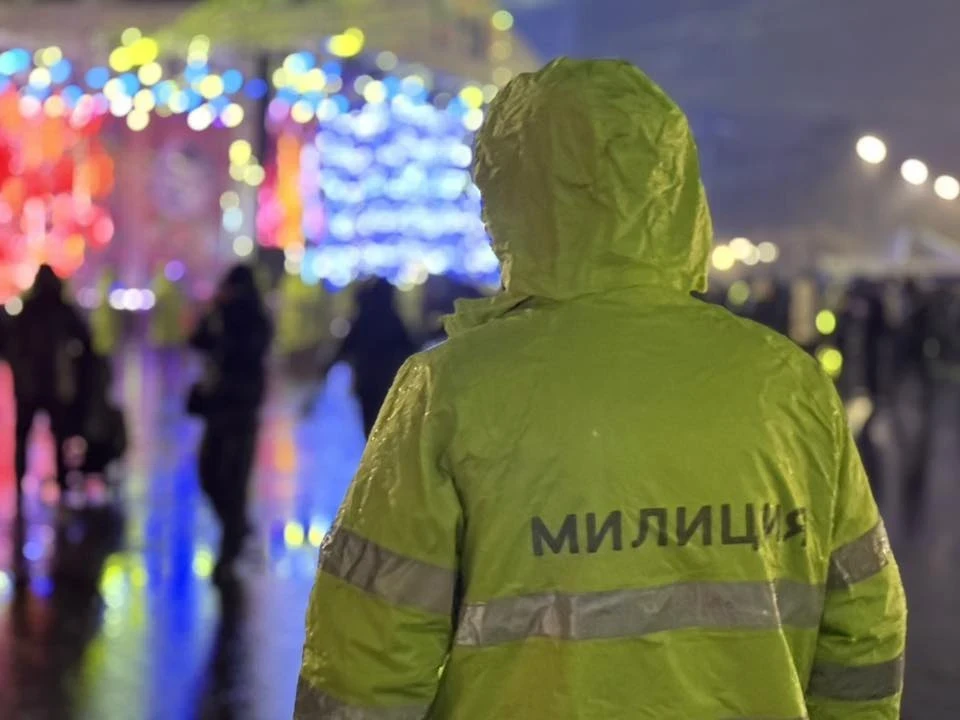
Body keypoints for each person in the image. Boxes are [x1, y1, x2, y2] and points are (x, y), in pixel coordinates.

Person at [295, 59, 906, 719]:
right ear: (679, 193)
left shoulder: (449, 390)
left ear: (510, 196)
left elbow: (367, 660)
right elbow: (864, 630)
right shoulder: (789, 384)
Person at [189, 265, 272, 581]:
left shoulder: (254, 320)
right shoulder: (221, 317)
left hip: (240, 410)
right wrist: (214, 312)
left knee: (233, 479)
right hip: (219, 408)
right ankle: (235, 527)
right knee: (210, 474)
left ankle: (230, 544)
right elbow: (196, 341)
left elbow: (248, 351)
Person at [7, 265, 91, 505]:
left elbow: (10, 342)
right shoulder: (61, 310)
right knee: (59, 436)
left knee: (23, 436)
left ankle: (21, 483)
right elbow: (84, 339)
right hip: (56, 385)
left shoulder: (28, 311)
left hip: (29, 386)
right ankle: (62, 484)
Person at [325, 277, 416, 437]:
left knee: (369, 421)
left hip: (366, 380)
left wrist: (327, 367)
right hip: (387, 380)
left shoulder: (363, 318)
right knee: (385, 418)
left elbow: (346, 347)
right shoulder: (393, 320)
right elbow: (410, 348)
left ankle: (371, 446)